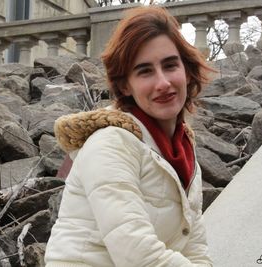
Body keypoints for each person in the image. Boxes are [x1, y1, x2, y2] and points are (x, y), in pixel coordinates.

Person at [45, 5, 213, 267]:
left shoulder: (182, 151)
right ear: (125, 85)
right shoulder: (110, 144)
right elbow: (136, 253)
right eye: (145, 71)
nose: (163, 83)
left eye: (170, 65)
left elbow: (194, 246)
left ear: (187, 71)